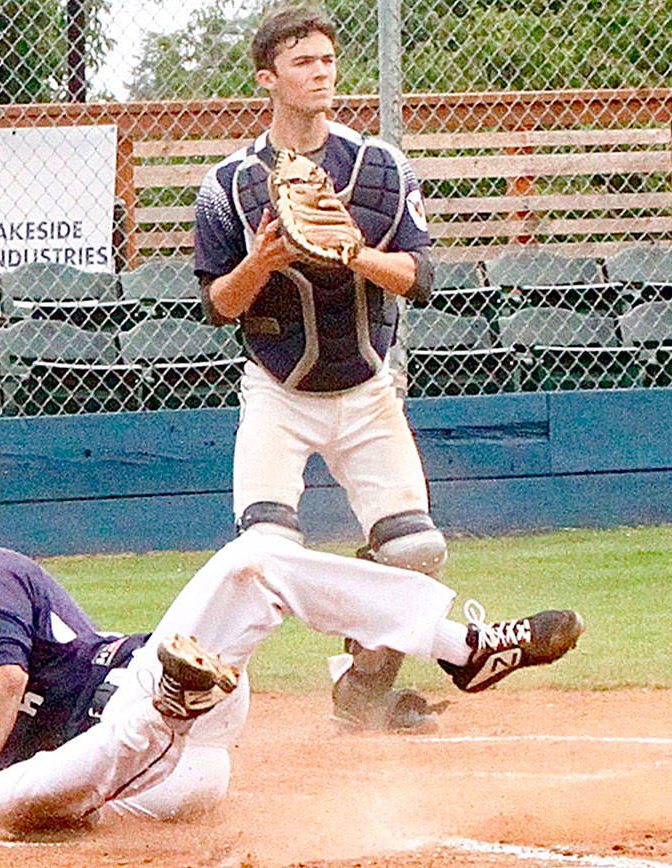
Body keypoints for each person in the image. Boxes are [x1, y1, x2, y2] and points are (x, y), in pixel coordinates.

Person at [0, 529, 583, 833]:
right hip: (172, 782)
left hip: (147, 697)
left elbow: (2, 682)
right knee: (0, 801)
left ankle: (460, 642)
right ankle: (166, 717)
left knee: (252, 563)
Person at [192, 7, 445, 732]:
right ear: (268, 78)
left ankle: (362, 693)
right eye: (303, 63)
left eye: (328, 60)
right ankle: (195, 703)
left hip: (367, 389)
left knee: (417, 550)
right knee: (263, 555)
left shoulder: (381, 168)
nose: (321, 73)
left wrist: (353, 251)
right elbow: (217, 303)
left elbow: (421, 277)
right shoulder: (230, 185)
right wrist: (262, 261)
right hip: (278, 392)